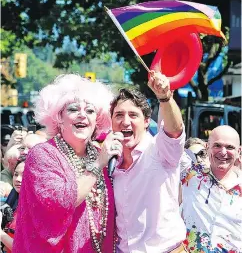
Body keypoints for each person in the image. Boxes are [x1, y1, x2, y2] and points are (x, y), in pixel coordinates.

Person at [13, 74, 122, 252]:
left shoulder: (99, 154)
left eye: (90, 111)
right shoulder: (42, 154)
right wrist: (98, 164)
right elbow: (61, 201)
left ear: (97, 120)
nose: (82, 115)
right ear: (58, 118)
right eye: (73, 109)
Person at [110, 70, 187, 253]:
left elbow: (174, 131)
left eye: (133, 115)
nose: (125, 122)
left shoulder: (160, 150)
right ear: (111, 121)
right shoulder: (109, 160)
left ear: (146, 121)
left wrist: (165, 98)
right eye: (119, 115)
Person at [181, 125, 242, 252]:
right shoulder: (191, 175)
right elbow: (170, 139)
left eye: (230, 147)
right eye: (217, 145)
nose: (223, 152)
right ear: (207, 148)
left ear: (239, 152)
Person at [0, 156, 26, 253]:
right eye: (16, 174)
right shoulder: (14, 199)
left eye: (24, 175)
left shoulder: (35, 209)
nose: (18, 179)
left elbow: (22, 249)